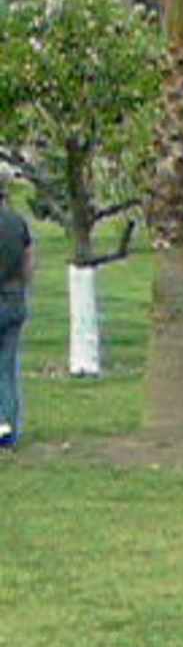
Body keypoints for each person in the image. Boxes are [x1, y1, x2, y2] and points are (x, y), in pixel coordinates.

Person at [0, 173, 34, 450]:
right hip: (14, 300)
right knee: (7, 368)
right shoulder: (18, 223)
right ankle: (7, 430)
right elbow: (29, 263)